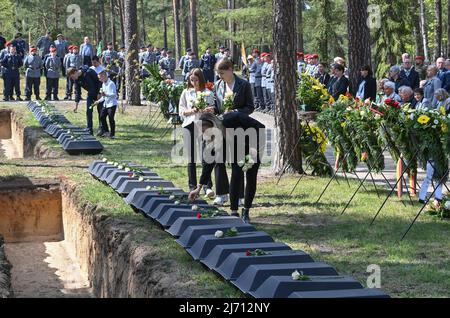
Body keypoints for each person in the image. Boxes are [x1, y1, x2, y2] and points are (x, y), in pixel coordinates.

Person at [190, 112, 266, 223]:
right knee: (236, 175)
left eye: (204, 130)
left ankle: (246, 211)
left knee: (250, 177)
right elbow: (209, 163)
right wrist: (199, 187)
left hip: (254, 149)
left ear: (212, 125)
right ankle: (234, 212)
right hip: (237, 151)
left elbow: (260, 127)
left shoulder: (232, 118)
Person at [179, 68, 217, 196]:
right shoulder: (186, 92)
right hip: (189, 124)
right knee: (191, 157)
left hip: (203, 125)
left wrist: (207, 110)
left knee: (206, 156)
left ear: (200, 79)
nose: (194, 82)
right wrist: (193, 110)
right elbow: (182, 111)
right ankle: (192, 186)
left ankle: (207, 186)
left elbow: (212, 110)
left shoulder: (208, 93)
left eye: (196, 80)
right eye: (191, 80)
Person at [68, 66, 101, 135]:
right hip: (90, 94)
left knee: (100, 112)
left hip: (99, 94)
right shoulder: (77, 80)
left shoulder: (89, 72)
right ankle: (89, 129)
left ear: (75, 72)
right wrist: (76, 106)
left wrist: (99, 93)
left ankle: (102, 129)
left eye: (72, 76)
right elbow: (78, 92)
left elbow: (99, 82)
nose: (73, 79)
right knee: (89, 111)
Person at [95, 70, 118, 139]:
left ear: (104, 76)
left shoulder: (111, 84)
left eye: (100, 78)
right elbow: (103, 96)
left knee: (111, 119)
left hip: (112, 104)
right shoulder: (103, 84)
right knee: (102, 117)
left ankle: (112, 134)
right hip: (106, 104)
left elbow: (114, 95)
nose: (100, 79)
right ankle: (106, 132)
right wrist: (98, 101)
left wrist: (106, 94)